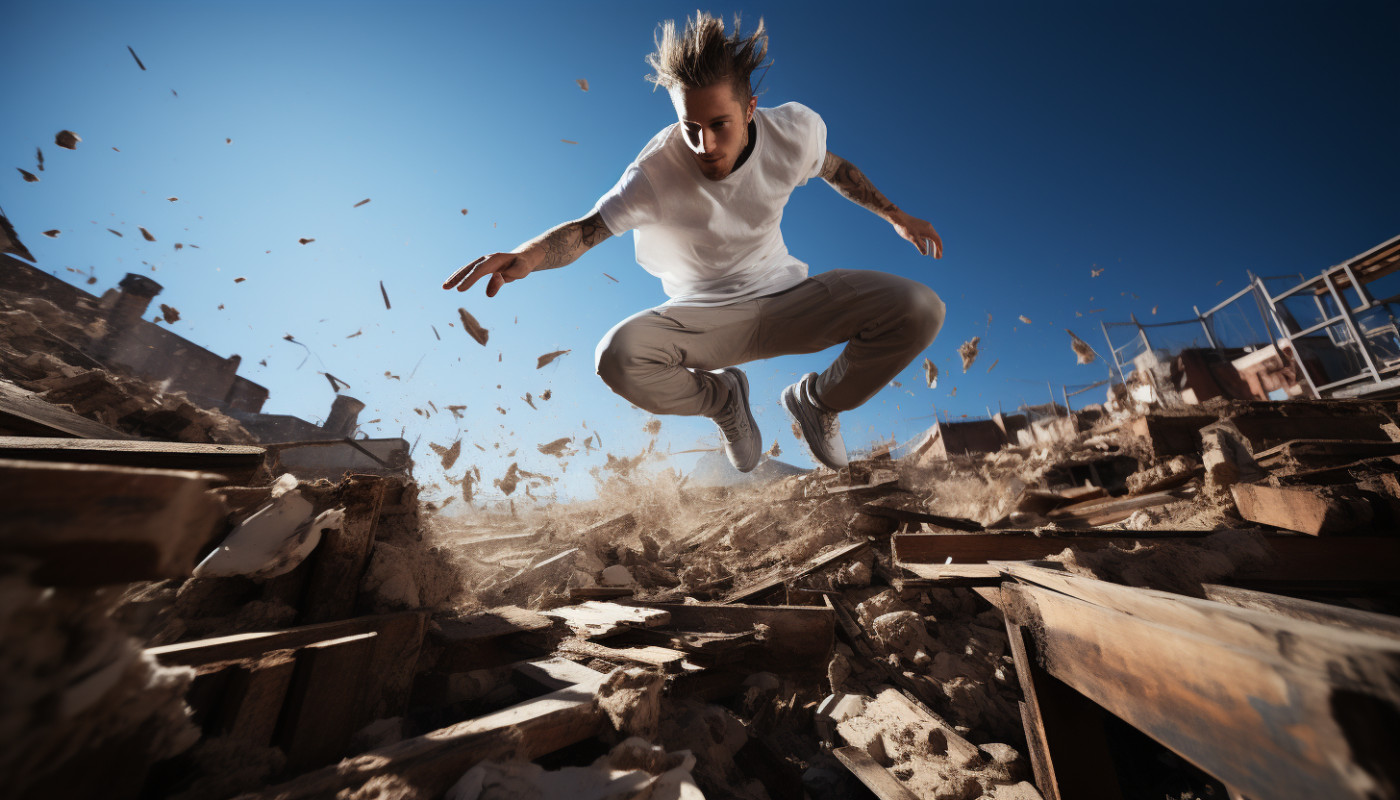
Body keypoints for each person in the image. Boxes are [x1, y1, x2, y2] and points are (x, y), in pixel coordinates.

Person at [443, 12, 945, 473]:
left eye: (719, 125)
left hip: (788, 297)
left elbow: (836, 169)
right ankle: (724, 400)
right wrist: (527, 257)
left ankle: (818, 403)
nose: (704, 145)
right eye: (691, 127)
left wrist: (896, 216)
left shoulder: (794, 132)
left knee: (919, 308)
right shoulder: (654, 173)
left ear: (750, 109)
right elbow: (586, 229)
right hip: (704, 318)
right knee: (616, 357)